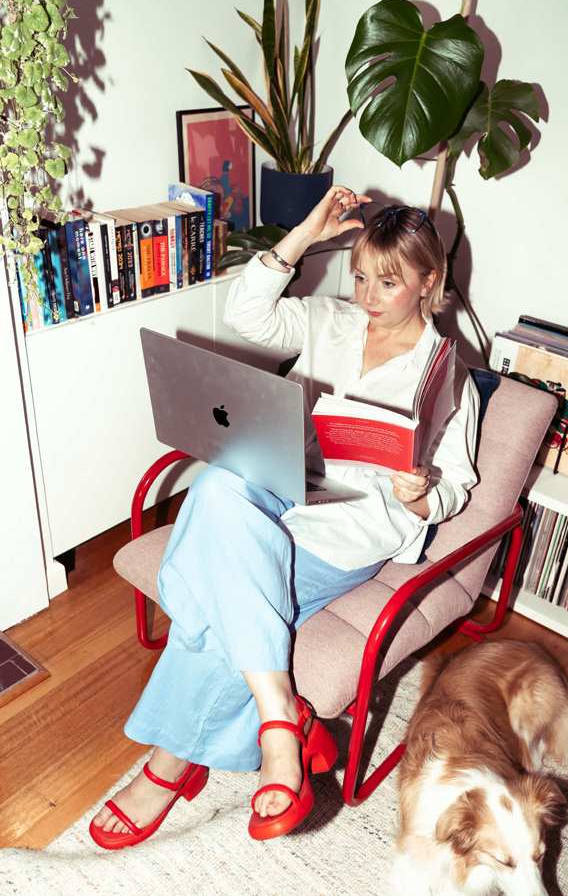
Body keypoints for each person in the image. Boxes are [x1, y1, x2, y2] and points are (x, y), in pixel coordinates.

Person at [89, 186, 479, 849]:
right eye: (360, 276)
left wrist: (419, 492)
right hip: (281, 481)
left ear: (428, 281)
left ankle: (169, 768)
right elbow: (248, 313)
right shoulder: (330, 319)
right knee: (218, 484)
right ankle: (280, 720)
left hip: (349, 528)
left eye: (388, 282)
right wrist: (304, 233)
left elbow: (456, 490)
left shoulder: (447, 377)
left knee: (222, 591)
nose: (368, 295)